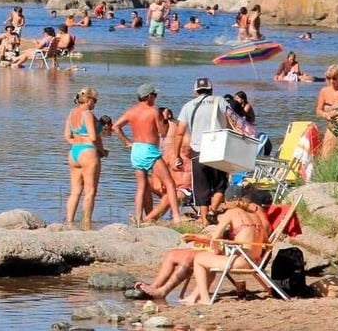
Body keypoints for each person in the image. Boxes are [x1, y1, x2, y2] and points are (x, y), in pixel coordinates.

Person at [180, 193, 271, 305]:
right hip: (256, 262)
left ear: (231, 201)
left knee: (199, 259)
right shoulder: (255, 216)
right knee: (209, 261)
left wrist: (216, 248)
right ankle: (194, 296)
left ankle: (204, 298)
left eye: (225, 202)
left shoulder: (231, 213)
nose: (224, 205)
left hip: (241, 262)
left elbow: (215, 238)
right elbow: (266, 242)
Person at [114, 83, 186, 224]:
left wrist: (127, 142)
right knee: (170, 183)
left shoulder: (131, 111)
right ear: (148, 97)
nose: (155, 98)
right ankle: (176, 216)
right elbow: (162, 132)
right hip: (149, 149)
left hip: (136, 149)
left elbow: (115, 127)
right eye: (154, 95)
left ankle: (138, 218)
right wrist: (165, 119)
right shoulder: (153, 111)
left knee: (141, 186)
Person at [174, 77, 232, 223]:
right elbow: (233, 119)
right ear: (211, 90)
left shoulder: (188, 106)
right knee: (221, 185)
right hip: (217, 149)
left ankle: (205, 220)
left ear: (195, 91)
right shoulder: (219, 101)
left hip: (197, 151)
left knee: (201, 187)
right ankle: (213, 210)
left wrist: (176, 155)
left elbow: (179, 132)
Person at [64, 88, 107, 228]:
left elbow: (67, 136)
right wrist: (101, 151)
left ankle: (69, 222)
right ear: (88, 100)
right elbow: (93, 137)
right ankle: (86, 223)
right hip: (88, 152)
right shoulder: (87, 114)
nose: (95, 104)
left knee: (75, 191)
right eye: (95, 101)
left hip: (74, 152)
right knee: (90, 191)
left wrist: (78, 142)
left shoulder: (71, 113)